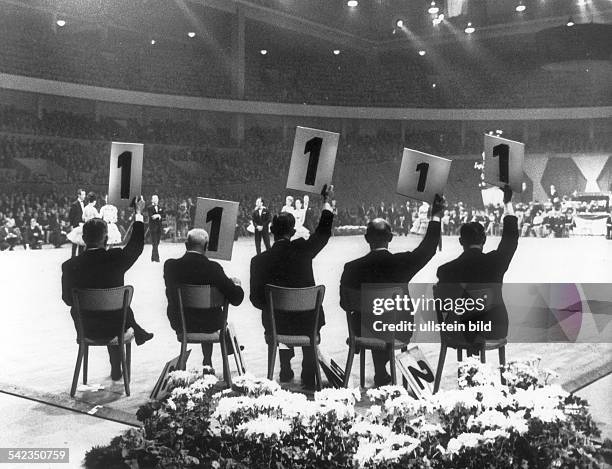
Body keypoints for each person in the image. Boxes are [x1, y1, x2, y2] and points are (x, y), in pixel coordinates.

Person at [340, 194, 444, 386]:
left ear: (366, 239)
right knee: (387, 317)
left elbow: (344, 303)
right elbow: (428, 248)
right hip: (398, 330)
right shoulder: (401, 263)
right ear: (390, 238)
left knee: (369, 316)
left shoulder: (351, 267)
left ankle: (381, 371)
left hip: (364, 332)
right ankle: (383, 369)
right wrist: (435, 216)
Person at [250, 185, 334, 389]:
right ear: (293, 231)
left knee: (278, 313)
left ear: (271, 231)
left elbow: (255, 300)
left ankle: (285, 365)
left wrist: (274, 304)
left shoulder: (259, 260)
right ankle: (308, 366)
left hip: (276, 324)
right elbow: (323, 232)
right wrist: (326, 202)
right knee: (304, 315)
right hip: (307, 324)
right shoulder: (303, 250)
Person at [61, 196, 154, 381]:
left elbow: (67, 300)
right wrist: (138, 214)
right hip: (115, 327)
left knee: (112, 310)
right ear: (106, 237)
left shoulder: (69, 265)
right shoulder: (116, 258)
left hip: (87, 328)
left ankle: (116, 362)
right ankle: (117, 363)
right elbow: (135, 246)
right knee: (118, 309)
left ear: (84, 238)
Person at [436, 185, 518, 346]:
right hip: (495, 328)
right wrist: (507, 203)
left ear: (461, 241)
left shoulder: (445, 270)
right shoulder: (496, 262)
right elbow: (511, 239)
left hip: (461, 331)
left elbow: (446, 305)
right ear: (484, 240)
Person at [164, 229, 244, 368]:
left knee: (199, 311)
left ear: (186, 244)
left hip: (182, 323)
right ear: (206, 246)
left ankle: (207, 359)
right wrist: (235, 284)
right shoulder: (213, 268)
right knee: (210, 311)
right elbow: (236, 299)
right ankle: (209, 359)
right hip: (210, 325)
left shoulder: (170, 266)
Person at [68, 189, 86, 257]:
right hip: (76, 225)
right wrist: (72, 226)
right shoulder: (74, 204)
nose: (84, 196)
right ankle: (73, 257)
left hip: (82, 225)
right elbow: (71, 216)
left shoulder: (84, 203)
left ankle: (80, 257)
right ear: (79, 195)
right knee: (75, 242)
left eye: (85, 194)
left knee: (81, 241)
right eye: (83, 194)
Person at [147, 195, 164, 262]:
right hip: (153, 228)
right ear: (152, 200)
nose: (157, 200)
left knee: (157, 243)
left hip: (159, 227)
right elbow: (152, 217)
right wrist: (158, 215)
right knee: (154, 243)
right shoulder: (149, 207)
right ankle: (157, 258)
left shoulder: (160, 207)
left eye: (157, 199)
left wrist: (159, 215)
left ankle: (153, 257)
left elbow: (163, 215)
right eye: (155, 199)